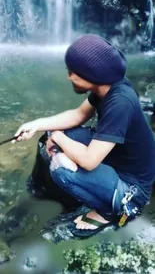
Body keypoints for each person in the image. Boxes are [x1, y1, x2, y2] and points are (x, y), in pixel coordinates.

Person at [13, 34, 155, 238]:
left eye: (73, 73)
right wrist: (35, 125)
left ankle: (109, 211)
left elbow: (89, 160)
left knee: (61, 168)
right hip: (116, 158)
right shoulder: (107, 86)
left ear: (93, 76)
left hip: (132, 187)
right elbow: (78, 115)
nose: (68, 77)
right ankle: (92, 188)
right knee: (53, 138)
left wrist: (58, 137)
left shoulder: (120, 103)